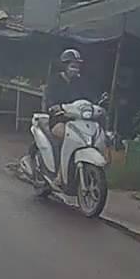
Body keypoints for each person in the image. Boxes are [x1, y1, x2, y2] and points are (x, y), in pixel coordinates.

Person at [36, 48, 94, 184]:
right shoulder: (55, 80)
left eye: (77, 66)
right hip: (58, 118)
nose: (75, 69)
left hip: (76, 119)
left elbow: (88, 98)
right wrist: (54, 106)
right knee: (65, 137)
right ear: (65, 66)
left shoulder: (80, 82)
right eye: (73, 66)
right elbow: (49, 98)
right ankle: (59, 174)